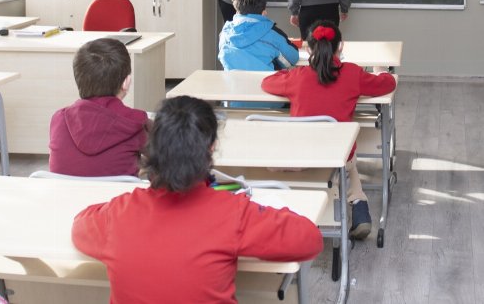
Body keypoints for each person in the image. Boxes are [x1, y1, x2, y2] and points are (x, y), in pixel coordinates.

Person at [72, 96, 323, 303]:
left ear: (153, 148)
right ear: (211, 147)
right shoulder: (232, 213)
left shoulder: (117, 214)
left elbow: (80, 225)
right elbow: (309, 239)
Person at [261, 21, 396, 240]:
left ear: (308, 50)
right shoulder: (352, 73)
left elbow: (267, 83)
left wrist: (285, 73)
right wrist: (382, 72)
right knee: (347, 160)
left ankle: (356, 206)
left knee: (341, 160)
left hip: (301, 156)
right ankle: (359, 206)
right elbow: (387, 85)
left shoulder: (298, 76)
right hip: (337, 156)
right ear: (340, 46)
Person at [49, 38, 149, 177]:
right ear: (126, 82)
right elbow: (165, 159)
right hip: (119, 191)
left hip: (63, 190)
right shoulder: (136, 122)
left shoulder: (59, 119)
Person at [219, 0, 299, 72]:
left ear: (236, 11)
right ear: (264, 13)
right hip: (264, 79)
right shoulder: (272, 33)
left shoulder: (225, 32)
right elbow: (292, 59)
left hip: (231, 79)